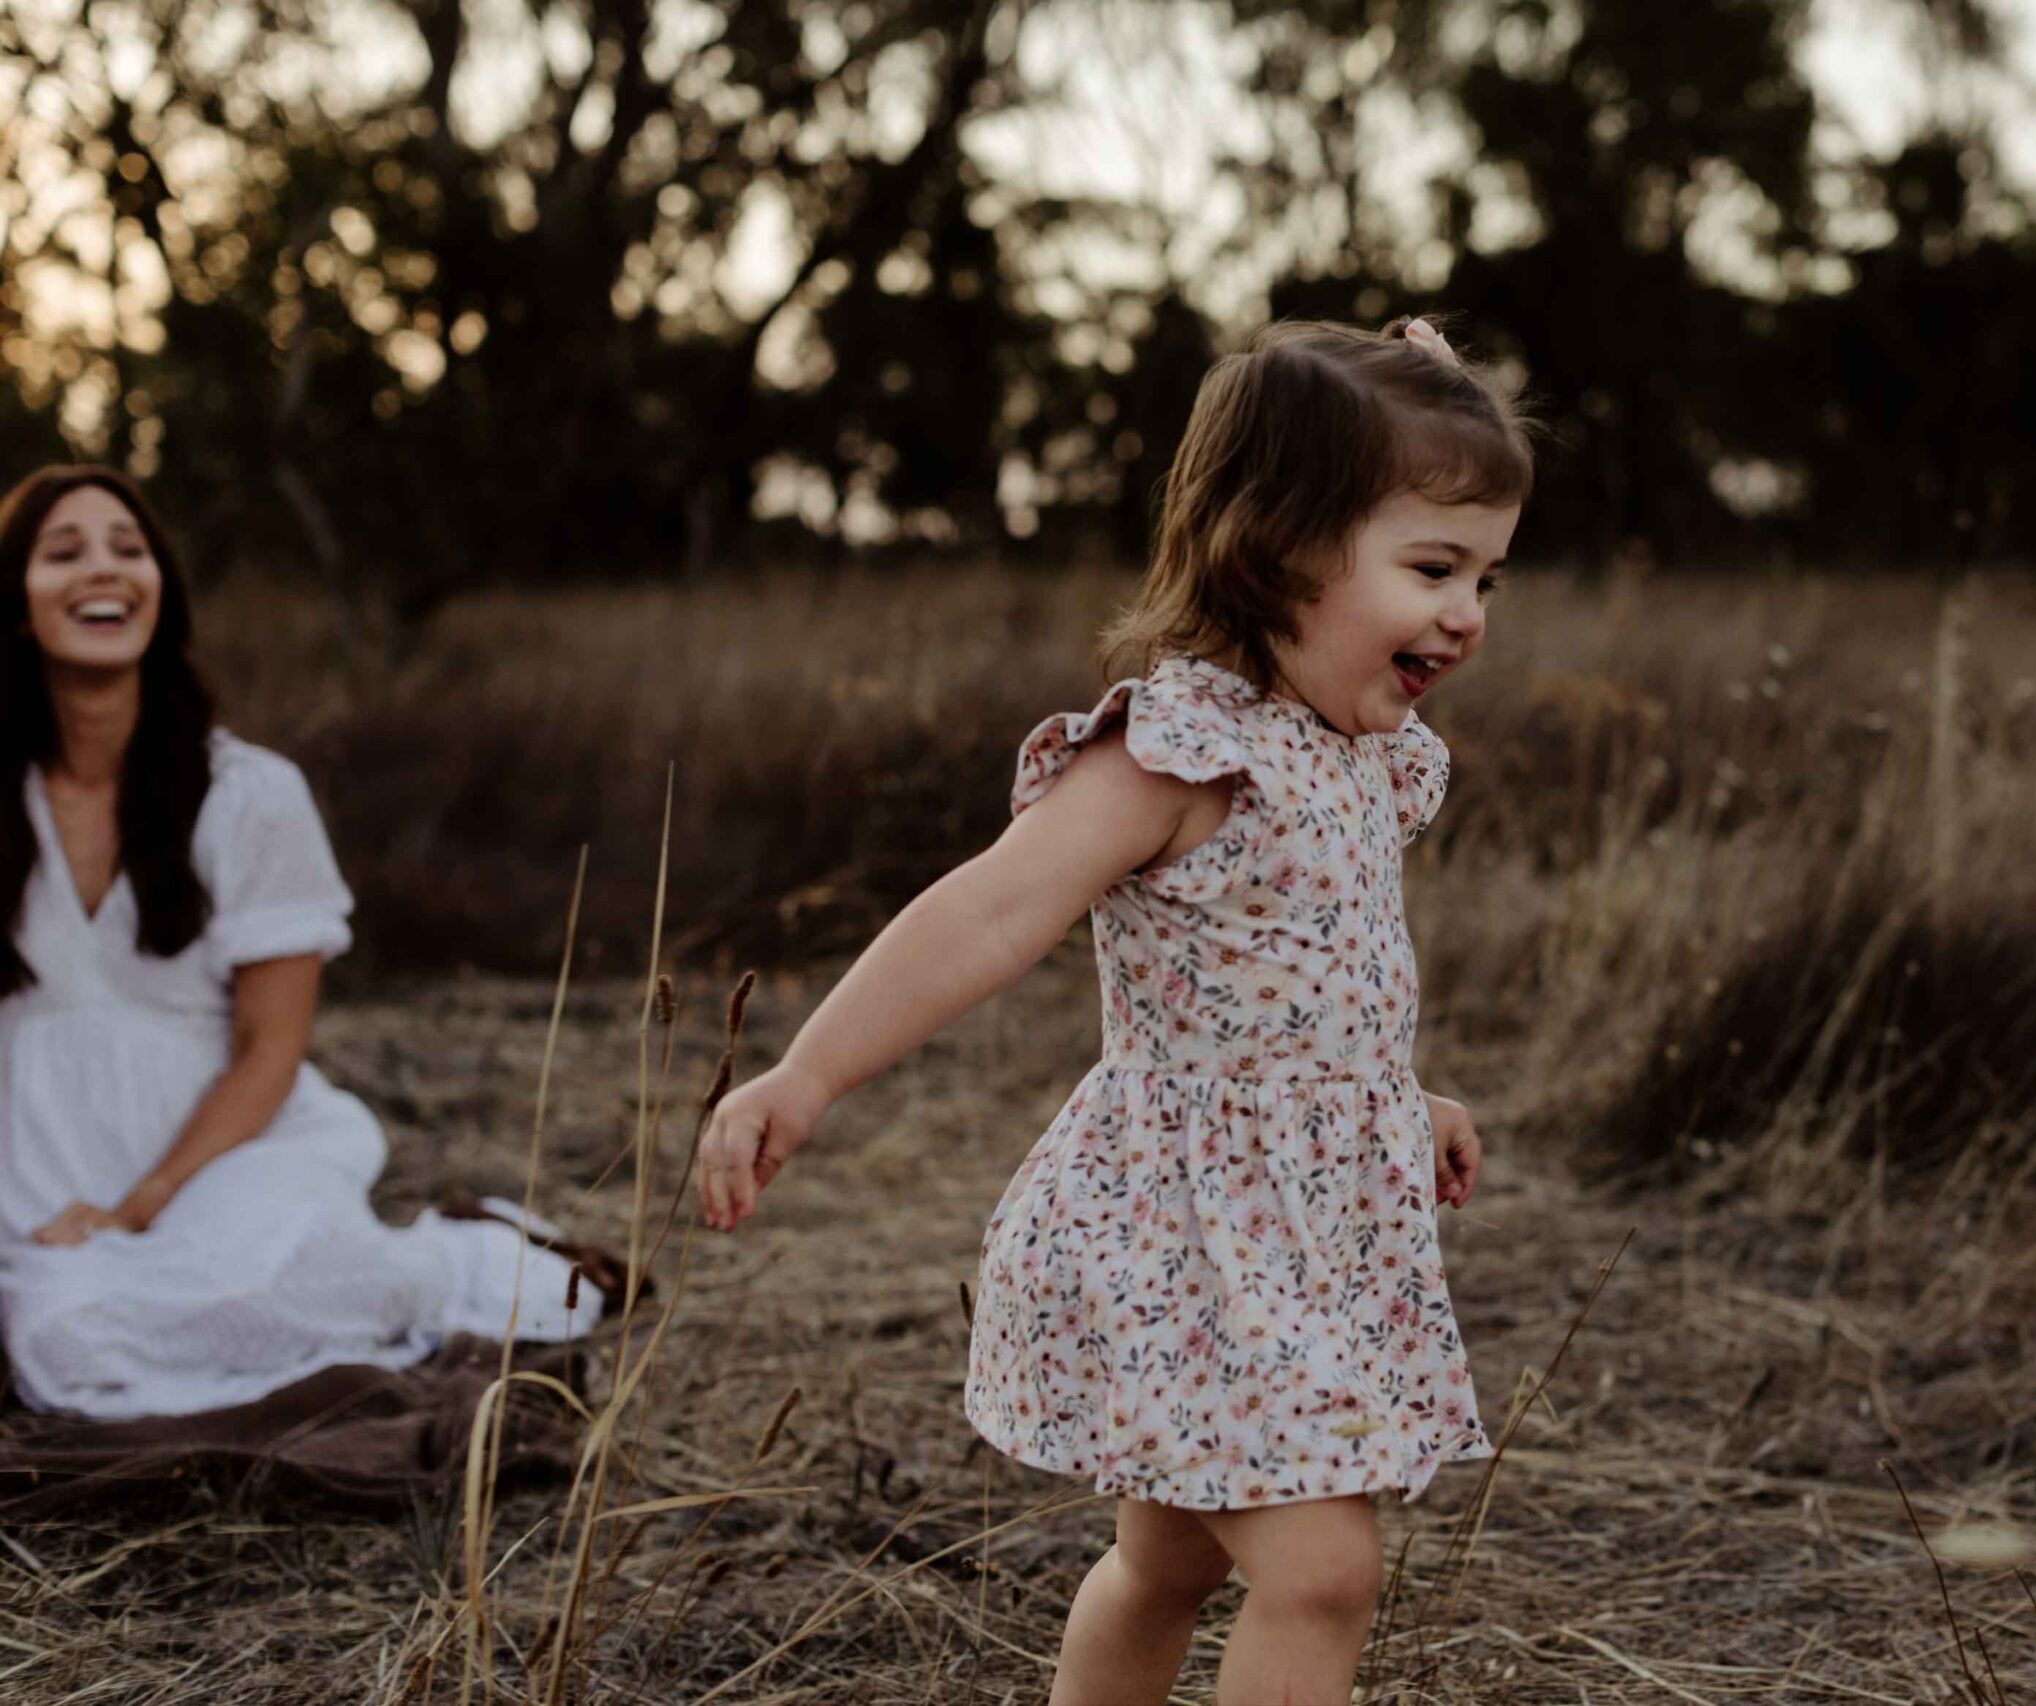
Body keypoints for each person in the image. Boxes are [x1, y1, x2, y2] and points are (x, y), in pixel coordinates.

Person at [698, 316, 1531, 1704]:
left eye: (1489, 577)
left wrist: (1400, 1094)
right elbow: (988, 911)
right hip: (1187, 1233)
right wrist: (807, 1072)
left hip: (1296, 1230)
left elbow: (1297, 990)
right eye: (1434, 568)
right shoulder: (1178, 755)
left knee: (1172, 1561)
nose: (1468, 614)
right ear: (1279, 550)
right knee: (1320, 1570)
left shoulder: (1358, 761)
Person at [0, 464, 604, 1422]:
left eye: (129, 549)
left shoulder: (250, 793)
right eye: (62, 552)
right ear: (16, 607)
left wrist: (140, 1206)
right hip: (25, 1159)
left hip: (216, 1149)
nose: (103, 571)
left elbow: (270, 1049)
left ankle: (457, 1259)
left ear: (163, 591)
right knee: (58, 1335)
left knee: (268, 1283)